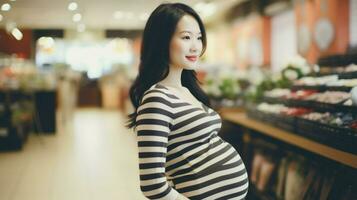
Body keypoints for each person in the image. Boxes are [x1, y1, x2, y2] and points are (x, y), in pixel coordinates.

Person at [126, 3, 248, 200]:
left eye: (199, 37)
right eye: (186, 37)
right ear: (161, 41)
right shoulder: (156, 99)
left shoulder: (186, 90)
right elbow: (152, 185)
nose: (196, 46)